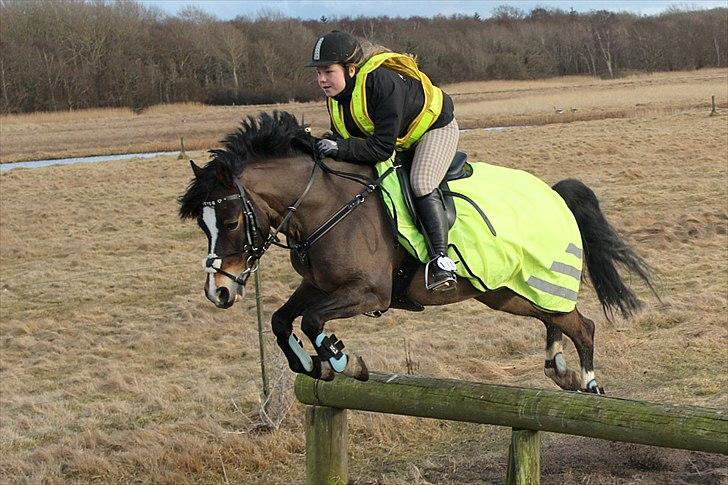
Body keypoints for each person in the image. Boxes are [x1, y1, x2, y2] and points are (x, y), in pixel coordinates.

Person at [306, 30, 459, 291]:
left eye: (328, 72)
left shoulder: (381, 84)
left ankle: (441, 261)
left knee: (421, 182)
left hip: (435, 129)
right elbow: (344, 138)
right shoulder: (336, 96)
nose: (322, 80)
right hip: (398, 138)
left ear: (351, 70)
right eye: (318, 73)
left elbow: (380, 150)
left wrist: (337, 147)